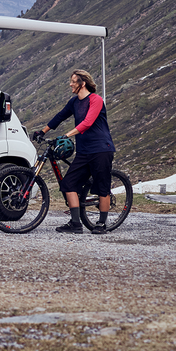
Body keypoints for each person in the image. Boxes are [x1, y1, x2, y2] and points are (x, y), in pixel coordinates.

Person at [38, 68, 115, 235]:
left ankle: (102, 223)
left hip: (101, 150)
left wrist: (67, 135)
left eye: (73, 81)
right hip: (84, 151)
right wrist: (42, 132)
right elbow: (59, 117)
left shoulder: (96, 100)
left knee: (102, 187)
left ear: (83, 83)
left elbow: (87, 123)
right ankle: (75, 223)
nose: (70, 84)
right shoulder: (74, 102)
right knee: (68, 184)